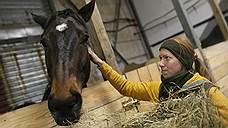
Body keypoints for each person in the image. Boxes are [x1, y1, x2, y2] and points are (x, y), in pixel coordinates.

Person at [88, 35, 228, 125]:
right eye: (160, 58)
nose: (160, 63)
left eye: (167, 58)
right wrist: (100, 63)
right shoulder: (162, 89)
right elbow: (126, 87)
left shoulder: (207, 91)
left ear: (183, 61)